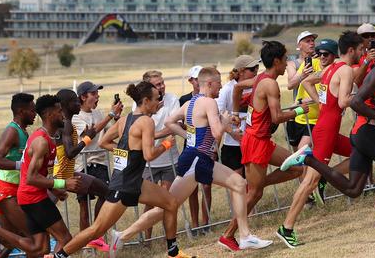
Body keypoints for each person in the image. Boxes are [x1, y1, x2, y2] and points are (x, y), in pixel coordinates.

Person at [282, 32, 375, 245]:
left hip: (362, 132)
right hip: (366, 132)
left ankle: (308, 159)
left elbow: (372, 101)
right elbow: (355, 102)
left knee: (354, 190)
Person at [110, 68, 272, 256]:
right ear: (210, 83)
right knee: (169, 205)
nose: (221, 85)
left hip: (196, 158)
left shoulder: (190, 103)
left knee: (238, 183)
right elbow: (217, 133)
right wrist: (224, 122)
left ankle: (244, 236)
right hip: (196, 160)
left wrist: (190, 135)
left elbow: (171, 121)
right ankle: (121, 236)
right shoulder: (209, 102)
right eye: (219, 82)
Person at [54, 81, 182, 258]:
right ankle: (60, 255)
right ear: (145, 101)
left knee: (171, 203)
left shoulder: (125, 120)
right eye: (156, 99)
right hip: (124, 185)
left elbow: (103, 141)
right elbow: (149, 155)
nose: (159, 102)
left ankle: (173, 252)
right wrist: (167, 144)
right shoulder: (146, 121)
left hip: (134, 180)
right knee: (96, 230)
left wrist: (126, 154)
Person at [218, 41, 308, 251]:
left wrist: (236, 113)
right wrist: (299, 110)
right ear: (276, 61)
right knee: (254, 193)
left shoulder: (261, 78)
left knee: (296, 167)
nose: (287, 64)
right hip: (256, 141)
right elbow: (276, 117)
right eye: (285, 60)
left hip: (262, 140)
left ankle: (260, 182)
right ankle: (228, 235)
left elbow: (238, 87)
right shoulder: (269, 83)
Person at [0, 95, 82, 257]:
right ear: (50, 114)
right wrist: (62, 184)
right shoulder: (40, 140)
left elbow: (39, 174)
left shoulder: (44, 138)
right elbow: (30, 177)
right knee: (64, 239)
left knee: (39, 248)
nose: (63, 114)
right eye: (59, 111)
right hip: (30, 196)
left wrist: (55, 187)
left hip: (29, 194)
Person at [276, 34, 357, 248]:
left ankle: (326, 176)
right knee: (308, 182)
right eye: (318, 54)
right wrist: (357, 98)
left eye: (324, 54)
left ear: (333, 54)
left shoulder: (330, 70)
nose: (320, 57)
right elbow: (342, 100)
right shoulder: (342, 70)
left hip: (325, 129)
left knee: (360, 153)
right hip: (326, 132)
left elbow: (309, 80)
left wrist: (319, 102)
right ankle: (287, 228)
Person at [53, 89, 110, 251]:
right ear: (65, 105)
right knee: (40, 219)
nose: (78, 103)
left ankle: (93, 237)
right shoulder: (66, 124)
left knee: (106, 192)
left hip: (71, 174)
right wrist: (88, 137)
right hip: (60, 176)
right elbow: (70, 153)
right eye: (75, 101)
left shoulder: (67, 122)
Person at [72, 81, 123, 251]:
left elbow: (110, 130)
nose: (97, 96)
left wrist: (116, 117)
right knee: (84, 206)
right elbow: (90, 134)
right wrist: (110, 114)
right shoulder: (75, 117)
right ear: (83, 97)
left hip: (100, 163)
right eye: (93, 93)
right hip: (82, 165)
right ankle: (84, 245)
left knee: (105, 198)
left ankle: (96, 235)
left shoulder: (99, 112)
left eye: (97, 93)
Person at [0, 93, 36, 256]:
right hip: (5, 191)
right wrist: (21, 165)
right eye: (32, 110)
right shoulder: (12, 131)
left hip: (15, 190)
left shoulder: (23, 131)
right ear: (21, 111)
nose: (35, 113)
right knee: (35, 239)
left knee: (12, 240)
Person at [136, 70, 181, 240]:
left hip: (170, 159)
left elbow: (174, 126)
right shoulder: (139, 104)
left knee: (165, 201)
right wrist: (153, 136)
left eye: (162, 82)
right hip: (149, 162)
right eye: (157, 84)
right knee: (149, 202)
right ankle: (146, 239)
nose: (162, 86)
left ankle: (168, 237)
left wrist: (153, 135)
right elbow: (139, 125)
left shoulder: (172, 99)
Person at [180, 65, 213, 235]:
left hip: (207, 148)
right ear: (191, 81)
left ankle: (206, 224)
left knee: (206, 185)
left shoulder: (211, 97)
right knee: (190, 189)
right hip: (191, 147)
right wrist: (186, 134)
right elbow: (177, 122)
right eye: (194, 79)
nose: (196, 82)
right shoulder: (184, 100)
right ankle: (194, 225)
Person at [217, 56, 260, 176]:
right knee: (237, 184)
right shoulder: (227, 89)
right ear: (241, 71)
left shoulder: (258, 86)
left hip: (253, 141)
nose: (256, 71)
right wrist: (232, 132)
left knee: (253, 182)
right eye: (252, 69)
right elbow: (217, 115)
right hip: (233, 144)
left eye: (257, 67)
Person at [285, 31, 318, 152]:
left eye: (312, 40)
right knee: (296, 154)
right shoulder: (292, 64)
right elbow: (290, 85)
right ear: (299, 46)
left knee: (304, 150)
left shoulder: (320, 61)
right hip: (297, 110)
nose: (312, 43)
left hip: (313, 111)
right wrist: (303, 73)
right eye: (307, 41)